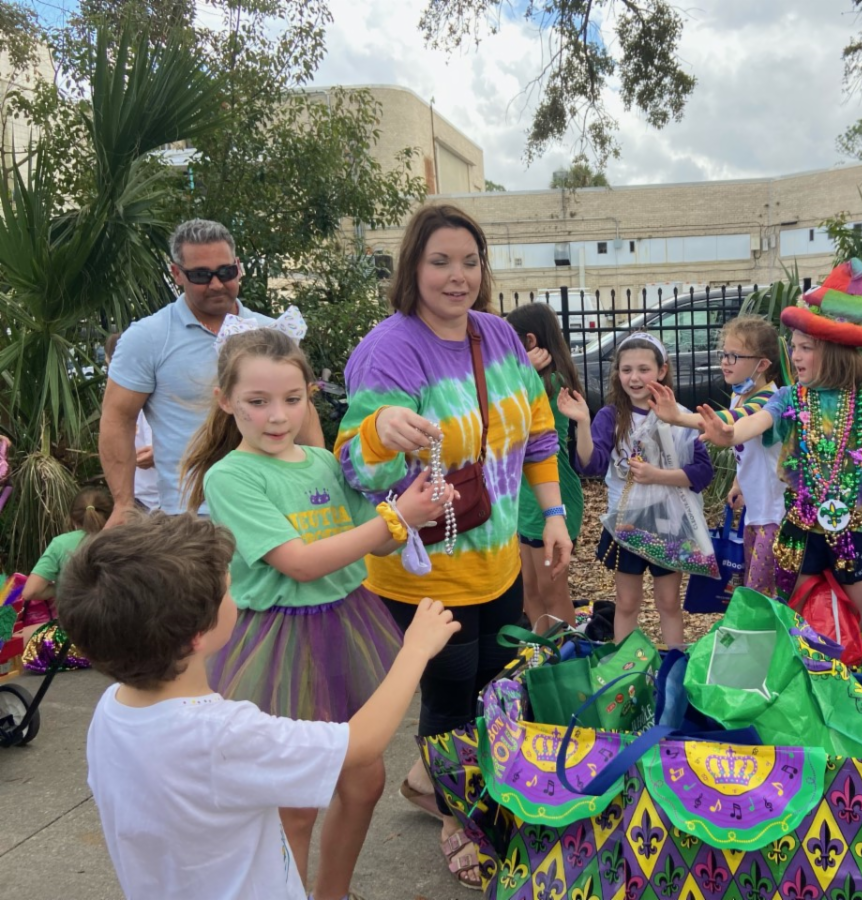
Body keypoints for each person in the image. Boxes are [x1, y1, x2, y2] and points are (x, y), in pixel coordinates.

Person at [334, 203, 571, 890]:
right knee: (448, 701)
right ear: (413, 266)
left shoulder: (496, 335)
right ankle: (456, 821)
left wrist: (554, 513)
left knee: (496, 688)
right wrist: (379, 429)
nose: (457, 275)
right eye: (440, 261)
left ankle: (429, 781)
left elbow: (538, 428)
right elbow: (354, 467)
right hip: (425, 571)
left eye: (469, 261)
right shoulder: (389, 349)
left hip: (496, 562)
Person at [55, 511, 460, 900]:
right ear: (198, 634)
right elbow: (359, 744)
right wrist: (416, 649)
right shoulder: (223, 736)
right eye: (228, 589)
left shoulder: (112, 710)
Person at [178, 325, 450, 900]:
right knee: (295, 803)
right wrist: (397, 517)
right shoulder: (232, 476)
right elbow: (299, 563)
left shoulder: (324, 462)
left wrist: (418, 512)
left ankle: (332, 893)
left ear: (310, 395)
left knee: (365, 782)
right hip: (277, 643)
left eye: (292, 399)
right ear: (226, 401)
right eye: (258, 402)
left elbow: (376, 542)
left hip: (348, 625)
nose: (277, 416)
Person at [675, 260, 862, 622]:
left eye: (805, 347)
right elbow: (755, 421)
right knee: (801, 624)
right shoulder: (790, 397)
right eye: (794, 347)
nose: (795, 356)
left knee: (858, 625)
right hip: (801, 534)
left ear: (833, 348)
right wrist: (729, 434)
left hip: (857, 530)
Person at [100, 218, 323, 522]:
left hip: (278, 506)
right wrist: (123, 503)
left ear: (238, 267)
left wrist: (321, 482)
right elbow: (118, 418)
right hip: (192, 517)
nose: (216, 284)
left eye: (225, 272)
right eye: (201, 275)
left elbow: (302, 409)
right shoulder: (148, 338)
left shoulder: (271, 333)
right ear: (176, 273)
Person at [560, 332, 714, 645]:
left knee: (668, 602)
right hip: (626, 520)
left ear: (662, 370)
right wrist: (583, 423)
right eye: (626, 369)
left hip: (670, 522)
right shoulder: (612, 416)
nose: (634, 378)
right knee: (627, 602)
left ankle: (674, 662)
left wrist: (657, 475)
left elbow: (702, 472)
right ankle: (624, 666)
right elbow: (590, 465)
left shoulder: (681, 417)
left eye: (644, 369)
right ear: (617, 373)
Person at [645, 315, 787, 595]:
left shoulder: (769, 400)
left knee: (760, 595)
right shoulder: (740, 395)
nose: (725, 362)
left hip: (774, 515)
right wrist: (738, 483)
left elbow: (728, 422)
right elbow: (750, 452)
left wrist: (678, 418)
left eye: (734, 356)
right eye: (723, 353)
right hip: (756, 512)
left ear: (762, 365)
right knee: (753, 588)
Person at [505, 302, 586, 632]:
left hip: (552, 493)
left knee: (552, 591)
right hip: (524, 498)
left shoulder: (553, 381)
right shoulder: (527, 379)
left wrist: (519, 373)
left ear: (530, 341)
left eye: (510, 343)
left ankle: (565, 654)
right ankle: (540, 651)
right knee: (529, 589)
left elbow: (517, 426)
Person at [17, 487, 112, 641]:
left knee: (13, 638)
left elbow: (30, 591)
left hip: (74, 632)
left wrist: (62, 587)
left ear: (73, 519)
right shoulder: (125, 541)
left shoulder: (60, 544)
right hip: (120, 629)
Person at [104, 332, 158, 511]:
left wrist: (160, 453)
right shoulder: (114, 403)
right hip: (137, 497)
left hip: (166, 496)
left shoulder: (159, 392)